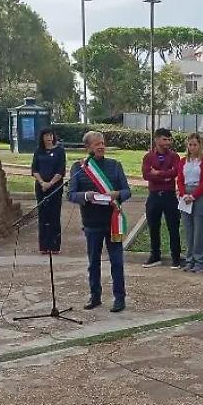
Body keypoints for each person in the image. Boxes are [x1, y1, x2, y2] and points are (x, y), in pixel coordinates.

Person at [68, 131, 131, 313]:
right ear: (87, 148)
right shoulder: (79, 168)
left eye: (102, 143)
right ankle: (95, 296)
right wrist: (86, 196)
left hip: (113, 221)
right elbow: (70, 194)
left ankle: (120, 298)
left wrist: (117, 194)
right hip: (91, 222)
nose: (101, 146)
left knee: (117, 262)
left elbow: (127, 191)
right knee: (93, 262)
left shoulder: (114, 165)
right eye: (96, 144)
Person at [141, 128, 182, 268]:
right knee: (153, 226)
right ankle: (155, 256)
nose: (168, 142)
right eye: (164, 139)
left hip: (169, 195)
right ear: (156, 140)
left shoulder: (174, 156)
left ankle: (176, 257)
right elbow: (146, 175)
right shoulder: (148, 157)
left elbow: (175, 172)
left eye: (169, 139)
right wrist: (165, 175)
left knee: (173, 227)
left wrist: (157, 173)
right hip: (154, 196)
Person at [177, 132, 203, 273]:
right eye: (190, 145)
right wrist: (183, 193)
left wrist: (194, 195)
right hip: (185, 195)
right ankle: (189, 259)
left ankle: (200, 260)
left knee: (199, 230)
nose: (192, 147)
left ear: (200, 145)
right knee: (188, 229)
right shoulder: (183, 161)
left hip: (200, 196)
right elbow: (179, 179)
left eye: (195, 145)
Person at [31, 128, 66, 255]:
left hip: (55, 186)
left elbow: (61, 170)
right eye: (46, 136)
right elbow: (34, 169)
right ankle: (44, 246)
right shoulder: (38, 151)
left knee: (54, 215)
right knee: (43, 215)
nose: (49, 138)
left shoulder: (60, 151)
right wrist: (42, 183)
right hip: (41, 186)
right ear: (42, 138)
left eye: (50, 135)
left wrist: (50, 183)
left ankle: (55, 245)